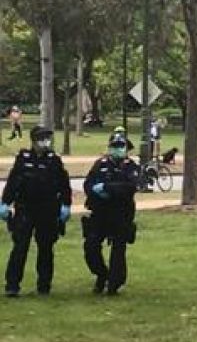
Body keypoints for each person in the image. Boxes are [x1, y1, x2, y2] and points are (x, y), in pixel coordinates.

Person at [2, 126, 72, 296]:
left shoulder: (53, 160)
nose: (45, 142)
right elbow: (13, 182)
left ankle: (44, 285)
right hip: (25, 208)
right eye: (42, 139)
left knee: (46, 248)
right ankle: (12, 285)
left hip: (48, 209)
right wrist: (5, 202)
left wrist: (66, 205)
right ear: (34, 140)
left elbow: (64, 184)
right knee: (20, 247)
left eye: (47, 138)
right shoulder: (23, 158)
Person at [82, 133, 140, 295]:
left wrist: (107, 188)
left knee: (118, 250)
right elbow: (88, 183)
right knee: (91, 246)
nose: (117, 150)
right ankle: (102, 274)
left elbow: (130, 187)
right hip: (100, 212)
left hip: (121, 213)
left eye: (121, 147)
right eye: (114, 146)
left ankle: (114, 284)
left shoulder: (131, 167)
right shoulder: (100, 164)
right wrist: (94, 191)